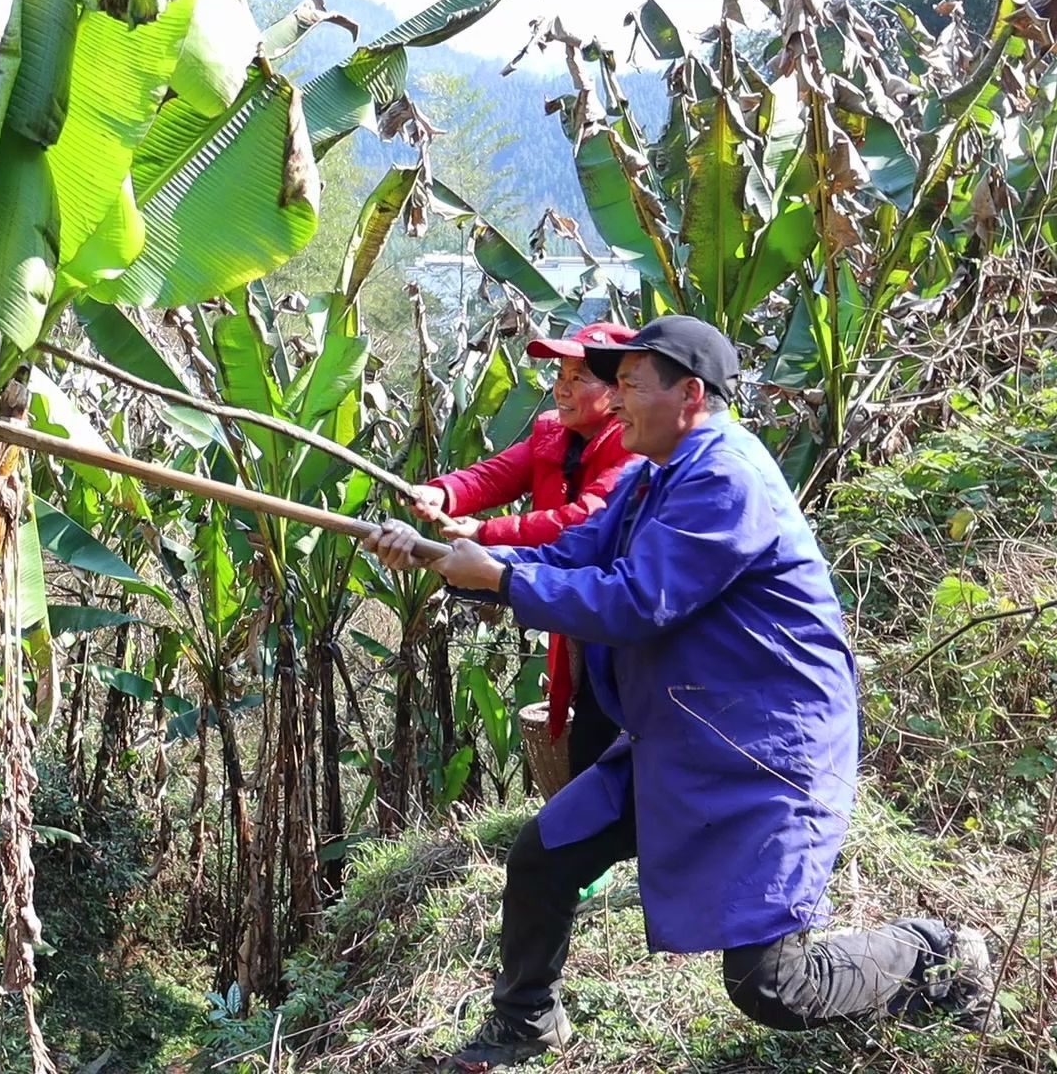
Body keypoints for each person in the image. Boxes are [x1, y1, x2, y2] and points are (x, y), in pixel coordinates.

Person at [366, 315, 995, 1071]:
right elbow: (571, 554)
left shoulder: (727, 475)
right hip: (681, 738)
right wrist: (444, 556)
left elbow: (636, 600)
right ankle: (527, 1021)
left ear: (690, 394)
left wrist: (496, 575)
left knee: (773, 985)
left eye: (629, 385)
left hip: (765, 752)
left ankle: (940, 954)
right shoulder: (652, 475)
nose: (615, 401)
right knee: (545, 855)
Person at [410, 321, 638, 779]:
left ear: (619, 390)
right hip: (572, 605)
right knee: (589, 728)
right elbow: (495, 475)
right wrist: (443, 493)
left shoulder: (633, 443)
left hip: (617, 611)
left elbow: (585, 519)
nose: (563, 390)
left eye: (579, 378)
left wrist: (484, 534)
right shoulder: (554, 434)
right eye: (561, 377)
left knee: (615, 724)